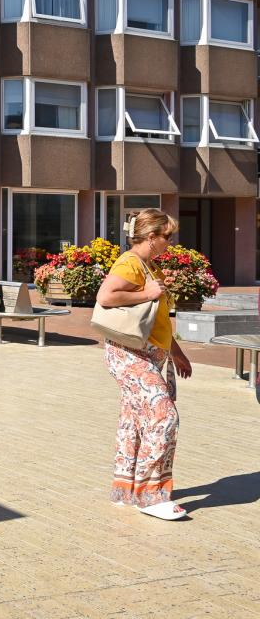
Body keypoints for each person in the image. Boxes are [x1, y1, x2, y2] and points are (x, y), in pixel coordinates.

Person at [95, 208, 191, 521]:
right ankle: (151, 494)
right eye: (167, 236)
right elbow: (106, 296)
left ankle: (126, 489)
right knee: (164, 416)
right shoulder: (130, 263)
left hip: (148, 353)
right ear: (151, 237)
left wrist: (175, 350)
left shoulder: (149, 266)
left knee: (134, 420)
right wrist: (146, 292)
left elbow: (156, 318)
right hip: (128, 354)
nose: (170, 242)